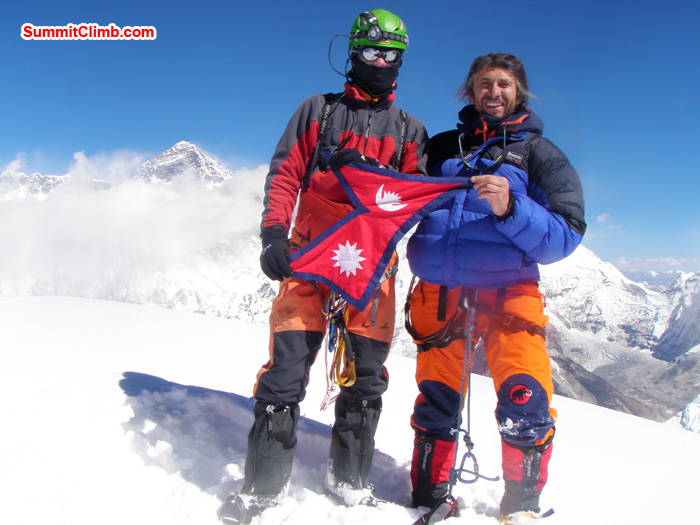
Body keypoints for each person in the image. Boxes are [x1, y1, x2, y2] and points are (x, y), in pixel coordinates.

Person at [219, 9, 429, 524]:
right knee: (286, 368)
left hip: (372, 266)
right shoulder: (318, 110)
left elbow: (411, 202)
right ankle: (262, 491)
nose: (381, 62)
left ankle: (350, 482)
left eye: (391, 54)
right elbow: (286, 171)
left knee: (367, 377)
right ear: (352, 52)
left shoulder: (410, 130)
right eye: (372, 51)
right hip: (310, 255)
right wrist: (273, 232)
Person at [404, 53, 586, 523]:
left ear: (518, 92)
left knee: (525, 396)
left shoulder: (542, 155)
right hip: (441, 291)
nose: (493, 92)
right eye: (484, 84)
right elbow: (396, 198)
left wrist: (511, 209)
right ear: (470, 92)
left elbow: (566, 234)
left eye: (503, 84)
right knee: (437, 398)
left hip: (510, 292)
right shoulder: (440, 147)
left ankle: (521, 507)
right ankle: (429, 496)